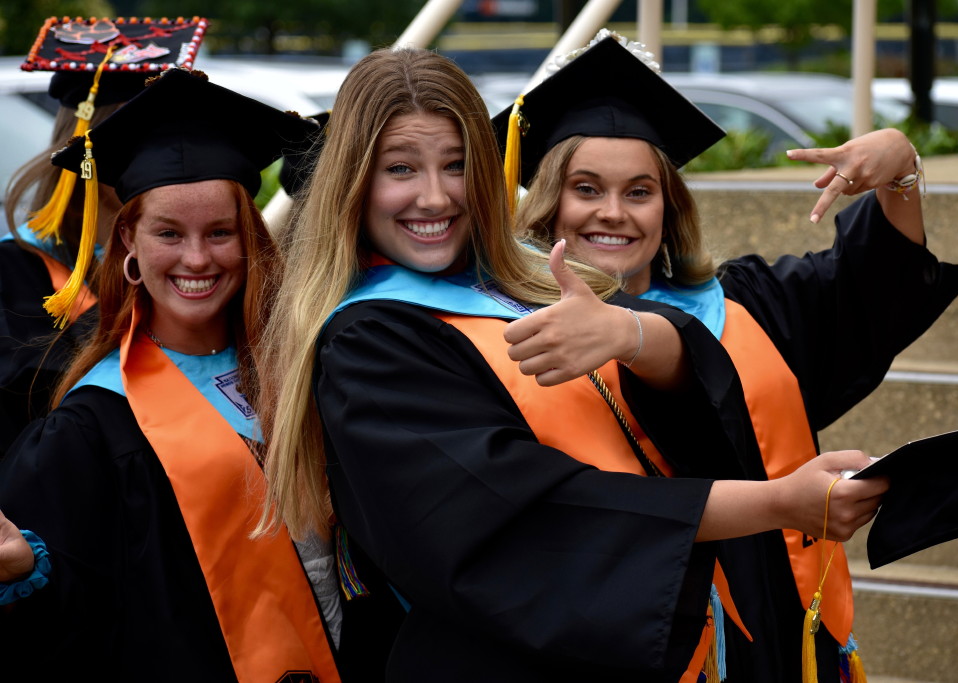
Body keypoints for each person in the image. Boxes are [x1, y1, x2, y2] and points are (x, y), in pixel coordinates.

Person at [256, 46, 887, 682]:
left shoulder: (516, 292)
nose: (435, 196)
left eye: (457, 165)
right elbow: (536, 513)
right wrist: (779, 503)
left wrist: (634, 334)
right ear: (355, 183)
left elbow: (678, 422)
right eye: (400, 169)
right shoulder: (368, 341)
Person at [501, 32, 958, 682]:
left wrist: (899, 169)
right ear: (549, 202)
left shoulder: (741, 306)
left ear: (668, 208)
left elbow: (872, 289)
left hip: (782, 638)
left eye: (640, 191)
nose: (613, 212)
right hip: (631, 651)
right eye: (586, 188)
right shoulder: (504, 336)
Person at [0, 67, 355, 682]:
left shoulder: (308, 373)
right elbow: (70, 624)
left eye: (221, 232)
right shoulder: (95, 425)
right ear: (128, 242)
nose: (197, 259)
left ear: (251, 241)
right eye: (169, 233)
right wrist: (24, 572)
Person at [0, 16, 207, 455]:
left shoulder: (197, 261)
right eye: (139, 141)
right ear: (85, 151)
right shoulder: (18, 273)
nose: (162, 162)